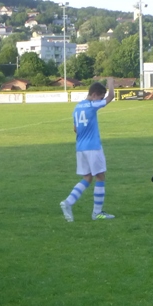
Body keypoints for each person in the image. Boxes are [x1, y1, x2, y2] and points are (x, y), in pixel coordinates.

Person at [60, 79, 116, 222]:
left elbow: (75, 129)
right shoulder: (92, 105)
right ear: (95, 94)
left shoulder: (77, 107)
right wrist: (111, 82)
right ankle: (97, 213)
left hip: (80, 148)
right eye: (100, 97)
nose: (101, 100)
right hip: (93, 147)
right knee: (100, 177)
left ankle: (68, 202)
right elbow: (111, 97)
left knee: (87, 178)